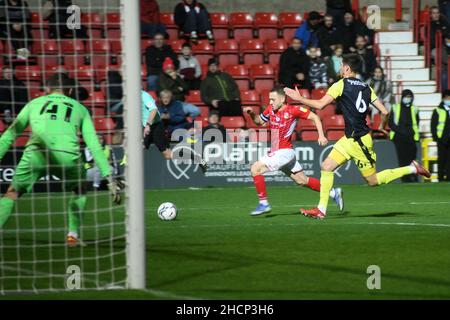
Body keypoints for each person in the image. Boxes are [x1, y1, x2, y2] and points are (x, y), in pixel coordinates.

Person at [284, 54, 430, 219]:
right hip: (350, 139)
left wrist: (299, 98)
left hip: (359, 142)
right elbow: (385, 111)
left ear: (347, 68)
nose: (340, 69)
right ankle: (321, 210)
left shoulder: (340, 85)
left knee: (373, 181)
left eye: (341, 66)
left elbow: (320, 105)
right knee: (326, 167)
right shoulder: (367, 87)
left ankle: (412, 168)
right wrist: (382, 126)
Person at [0, 73, 123, 246]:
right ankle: (72, 235)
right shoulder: (80, 109)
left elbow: (9, 135)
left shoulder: (34, 103)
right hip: (67, 155)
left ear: (47, 89)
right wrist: (108, 177)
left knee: (12, 193)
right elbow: (94, 145)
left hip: (37, 153)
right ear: (70, 90)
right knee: (79, 189)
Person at [244, 86, 344, 216]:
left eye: (273, 99)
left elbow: (315, 117)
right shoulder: (270, 110)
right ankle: (333, 193)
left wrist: (321, 135)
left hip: (284, 152)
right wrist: (252, 113)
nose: (270, 102)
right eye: (269, 100)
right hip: (282, 153)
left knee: (255, 168)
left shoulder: (294, 110)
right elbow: (259, 122)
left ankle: (264, 203)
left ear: (282, 99)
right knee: (302, 180)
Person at [141, 89, 208, 170]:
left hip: (155, 127)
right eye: (164, 97)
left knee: (141, 147)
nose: (165, 99)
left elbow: (154, 109)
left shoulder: (144, 96)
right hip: (153, 127)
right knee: (167, 155)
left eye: (167, 97)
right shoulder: (158, 106)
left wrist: (148, 124)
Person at [388, 89, 420, 183]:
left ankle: (412, 176)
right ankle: (405, 177)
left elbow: (416, 122)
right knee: (402, 158)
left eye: (410, 97)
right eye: (406, 97)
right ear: (402, 97)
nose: (408, 99)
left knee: (412, 158)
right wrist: (401, 130)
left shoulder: (415, 109)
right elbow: (390, 123)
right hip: (399, 137)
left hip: (411, 137)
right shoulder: (395, 107)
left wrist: (411, 133)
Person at [431, 90, 450, 181]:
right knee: (442, 158)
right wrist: (436, 137)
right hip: (442, 138)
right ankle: (441, 177)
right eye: (447, 98)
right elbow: (433, 125)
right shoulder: (438, 110)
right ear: (443, 99)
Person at [366, 66, 392, 131]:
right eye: (376, 72)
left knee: (389, 107)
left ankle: (386, 125)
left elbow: (389, 93)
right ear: (374, 73)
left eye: (379, 72)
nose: (377, 74)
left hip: (383, 100)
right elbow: (366, 92)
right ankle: (373, 125)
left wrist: (384, 100)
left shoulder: (386, 82)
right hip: (371, 101)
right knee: (375, 109)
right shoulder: (369, 81)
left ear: (382, 73)